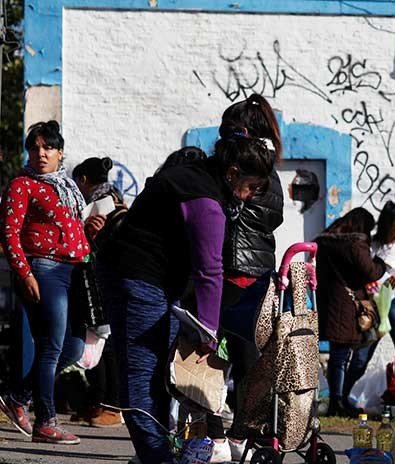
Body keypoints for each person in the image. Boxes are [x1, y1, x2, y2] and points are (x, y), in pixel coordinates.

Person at [98, 135, 274, 463]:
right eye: (251, 187)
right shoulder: (205, 200)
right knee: (142, 378)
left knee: (160, 376)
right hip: (138, 279)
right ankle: (156, 457)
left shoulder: (195, 176)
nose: (252, 195)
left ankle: (157, 453)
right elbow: (210, 271)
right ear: (232, 173)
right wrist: (208, 332)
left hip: (146, 279)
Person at [0, 121, 90, 445]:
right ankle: (46, 422)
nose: (41, 153)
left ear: (60, 152)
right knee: (50, 347)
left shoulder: (67, 186)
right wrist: (24, 273)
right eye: (35, 148)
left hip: (74, 272)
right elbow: (9, 233)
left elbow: (73, 230)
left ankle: (17, 396)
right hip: (45, 269)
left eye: (48, 147)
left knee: (74, 348)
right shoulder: (22, 185)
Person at [209, 94, 284, 462]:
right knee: (246, 361)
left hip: (233, 274)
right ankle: (240, 434)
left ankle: (235, 435)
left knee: (228, 358)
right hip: (253, 272)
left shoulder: (244, 174)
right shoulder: (267, 174)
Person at [344, 201, 395, 396]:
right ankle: (341, 398)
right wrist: (364, 283)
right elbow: (357, 271)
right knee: (361, 356)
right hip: (371, 305)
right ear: (388, 223)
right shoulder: (370, 244)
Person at [71, 156, 128, 428]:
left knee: (107, 345)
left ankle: (112, 406)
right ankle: (97, 401)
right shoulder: (114, 199)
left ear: (83, 180)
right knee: (97, 342)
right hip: (99, 281)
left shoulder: (104, 205)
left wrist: (90, 232)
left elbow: (110, 244)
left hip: (105, 281)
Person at [315, 207, 386, 417]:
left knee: (338, 354)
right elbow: (370, 271)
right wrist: (380, 263)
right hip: (347, 304)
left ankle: (337, 399)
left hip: (329, 301)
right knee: (341, 355)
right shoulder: (355, 244)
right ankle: (337, 401)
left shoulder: (325, 242)